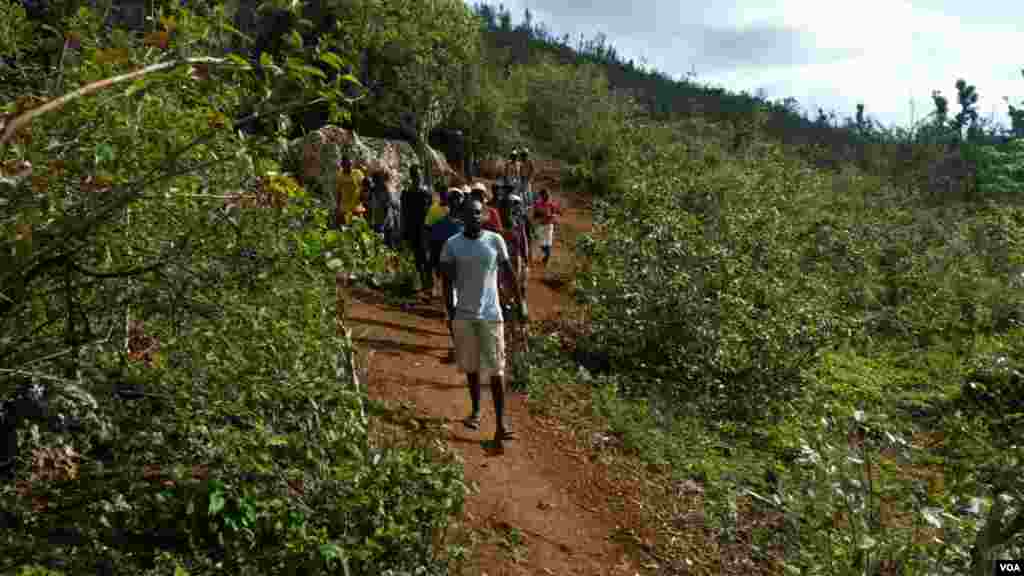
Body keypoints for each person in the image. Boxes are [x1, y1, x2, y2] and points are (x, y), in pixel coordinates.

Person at [440, 197, 527, 447]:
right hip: (464, 315)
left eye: (478, 213)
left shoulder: (494, 240)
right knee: (472, 368)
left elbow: (508, 273)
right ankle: (477, 410)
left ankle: (501, 424)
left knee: (497, 370)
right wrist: (449, 310)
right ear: (462, 218)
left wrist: (520, 302)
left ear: (484, 216)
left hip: (491, 314)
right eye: (470, 214)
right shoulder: (452, 246)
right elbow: (446, 281)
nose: (475, 217)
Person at [401, 164, 434, 292]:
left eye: (419, 175)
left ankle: (429, 284)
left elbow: (431, 211)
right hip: (412, 228)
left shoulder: (426, 193)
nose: (418, 178)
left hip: (424, 229)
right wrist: (403, 229)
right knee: (417, 257)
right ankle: (421, 283)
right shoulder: (406, 193)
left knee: (426, 256)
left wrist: (430, 228)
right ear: (412, 176)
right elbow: (403, 213)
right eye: (416, 175)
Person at [532, 188, 561, 266]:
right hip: (541, 225)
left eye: (548, 194)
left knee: (548, 243)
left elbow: (556, 214)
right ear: (542, 195)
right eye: (545, 194)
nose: (547, 196)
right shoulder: (538, 204)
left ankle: (546, 258)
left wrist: (551, 216)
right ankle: (546, 256)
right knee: (541, 243)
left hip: (549, 225)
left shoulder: (551, 204)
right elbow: (535, 216)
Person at [336, 155, 365, 228]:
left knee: (357, 229)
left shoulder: (358, 173)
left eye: (350, 165)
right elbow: (339, 192)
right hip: (344, 208)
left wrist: (363, 200)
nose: (349, 167)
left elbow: (365, 188)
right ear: (342, 165)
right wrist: (338, 207)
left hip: (356, 208)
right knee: (345, 230)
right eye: (347, 165)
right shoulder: (340, 175)